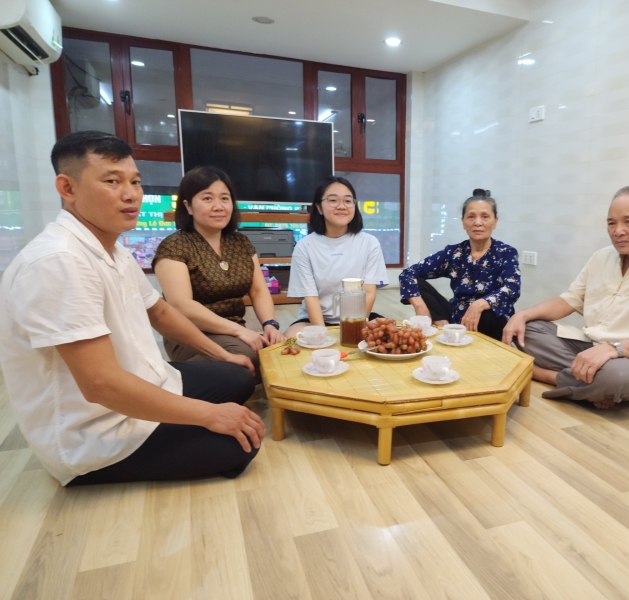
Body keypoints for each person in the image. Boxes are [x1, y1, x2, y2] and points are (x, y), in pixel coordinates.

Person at [0, 131, 265, 486]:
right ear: (68, 188)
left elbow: (160, 312)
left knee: (238, 375)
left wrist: (222, 354)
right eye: (112, 181)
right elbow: (100, 384)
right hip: (94, 430)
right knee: (239, 445)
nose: (131, 194)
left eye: (135, 181)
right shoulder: (58, 261)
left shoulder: (113, 248)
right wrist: (211, 415)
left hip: (148, 379)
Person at [502, 185, 629, 409]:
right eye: (611, 223)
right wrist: (522, 315)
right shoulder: (601, 257)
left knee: (613, 378)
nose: (618, 231)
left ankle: (545, 375)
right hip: (591, 347)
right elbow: (568, 300)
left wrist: (612, 350)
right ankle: (588, 383)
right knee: (527, 330)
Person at [153, 166, 285, 376]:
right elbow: (181, 306)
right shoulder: (174, 246)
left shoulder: (240, 242)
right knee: (248, 354)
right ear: (188, 206)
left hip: (234, 332)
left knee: (279, 351)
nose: (218, 206)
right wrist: (240, 331)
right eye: (207, 198)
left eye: (225, 198)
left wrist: (270, 325)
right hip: (191, 335)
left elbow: (259, 291)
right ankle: (175, 380)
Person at [399, 189, 520, 340]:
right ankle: (443, 325)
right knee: (417, 282)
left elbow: (512, 288)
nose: (477, 222)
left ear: (495, 221)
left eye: (485, 216)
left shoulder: (506, 252)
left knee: (488, 315)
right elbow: (407, 273)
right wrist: (421, 307)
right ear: (463, 222)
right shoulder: (453, 253)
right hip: (458, 315)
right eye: (471, 217)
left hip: (492, 321)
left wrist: (479, 304)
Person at [284, 176, 388, 338]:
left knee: (389, 334)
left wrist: (354, 328)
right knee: (291, 337)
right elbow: (310, 296)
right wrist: (321, 334)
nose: (342, 206)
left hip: (357, 318)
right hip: (316, 319)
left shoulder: (369, 243)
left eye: (348, 201)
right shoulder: (305, 246)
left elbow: (368, 292)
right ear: (319, 207)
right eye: (333, 200)